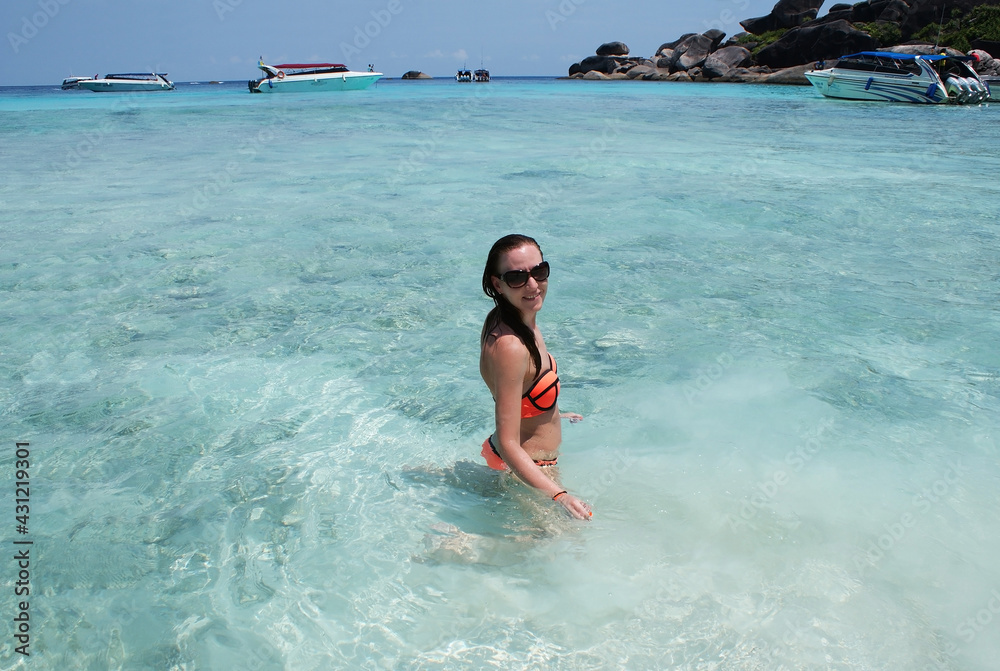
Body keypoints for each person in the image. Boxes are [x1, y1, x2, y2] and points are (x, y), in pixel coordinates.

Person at [479, 234, 592, 520]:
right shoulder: (510, 346)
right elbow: (509, 443)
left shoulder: (505, 318)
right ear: (498, 284)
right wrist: (559, 495)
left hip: (521, 463)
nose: (532, 285)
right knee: (564, 541)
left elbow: (516, 390)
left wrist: (549, 412)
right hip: (527, 469)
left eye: (539, 271)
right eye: (517, 277)